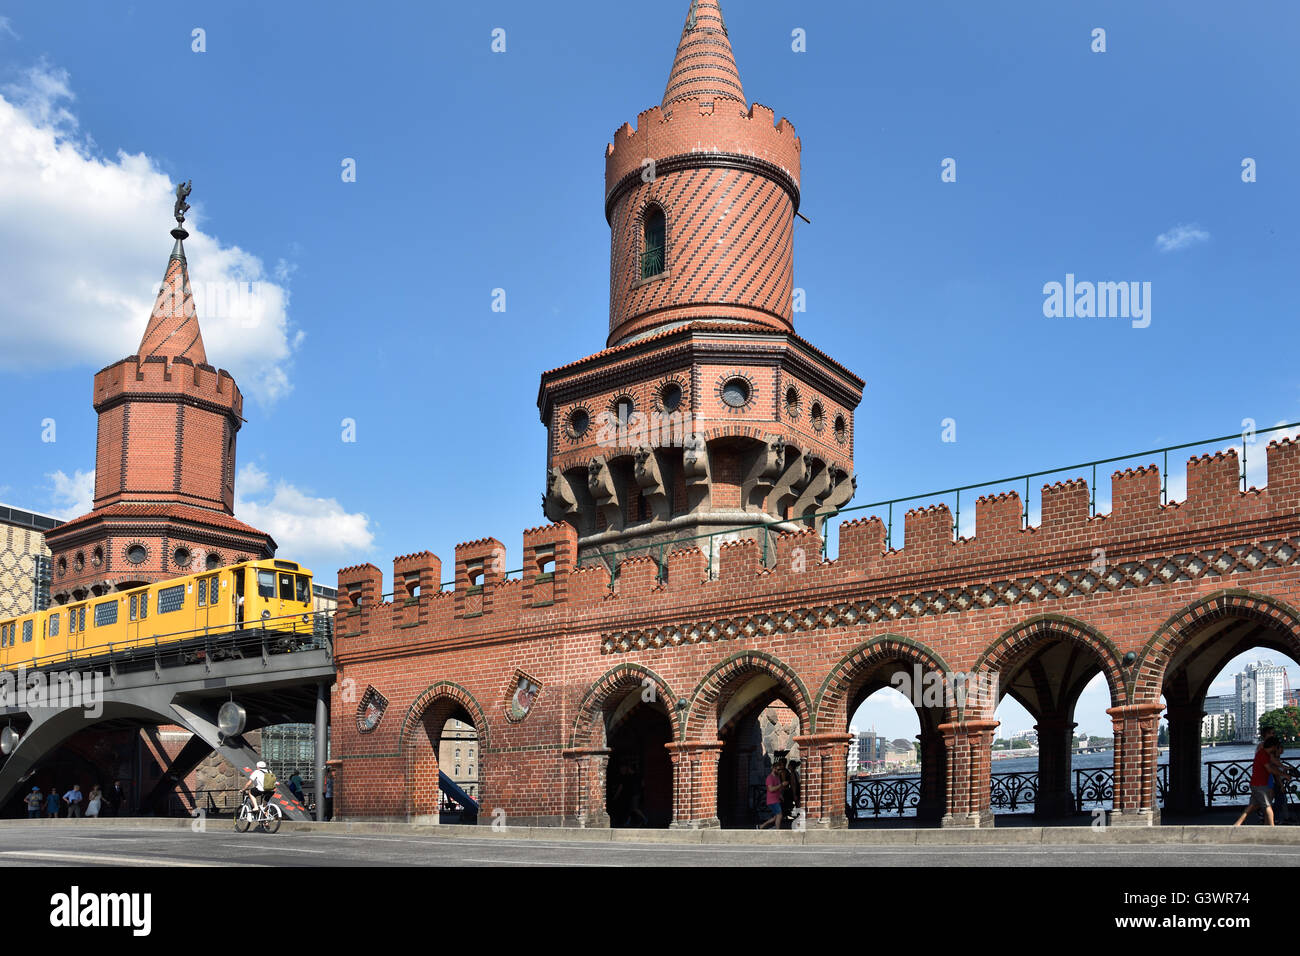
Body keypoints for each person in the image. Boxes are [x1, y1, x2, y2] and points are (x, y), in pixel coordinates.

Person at [1234, 737, 1291, 826]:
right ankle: (1272, 829)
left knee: (1253, 806)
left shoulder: (1265, 754)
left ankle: (1237, 824)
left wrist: (1285, 767)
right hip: (1260, 785)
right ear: (1273, 747)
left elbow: (1275, 762)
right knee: (1268, 807)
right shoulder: (1263, 755)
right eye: (1277, 747)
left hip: (1256, 784)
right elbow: (1270, 769)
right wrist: (1284, 774)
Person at [758, 762, 783, 830]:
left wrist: (781, 796)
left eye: (780, 769)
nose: (779, 771)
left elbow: (778, 789)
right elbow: (771, 789)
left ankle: (761, 826)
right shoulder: (769, 778)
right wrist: (781, 785)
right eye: (778, 769)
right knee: (779, 815)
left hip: (776, 800)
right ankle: (777, 830)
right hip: (772, 800)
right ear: (774, 769)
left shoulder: (777, 777)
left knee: (776, 817)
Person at [785, 758, 803, 826]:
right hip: (797, 791)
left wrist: (794, 794)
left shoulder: (792, 774)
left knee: (798, 805)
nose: (788, 766)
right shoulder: (796, 773)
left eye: (789, 765)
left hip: (795, 791)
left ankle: (799, 819)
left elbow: (793, 785)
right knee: (798, 805)